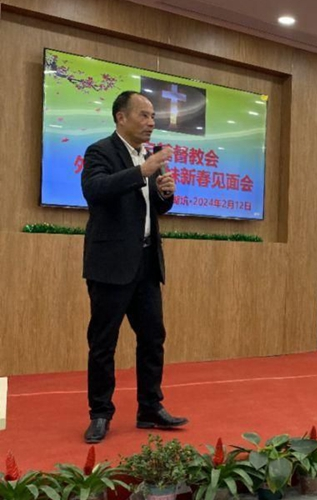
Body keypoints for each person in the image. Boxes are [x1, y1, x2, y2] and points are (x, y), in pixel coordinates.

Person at [81, 90, 187, 444]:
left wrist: (164, 193)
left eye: (153, 116)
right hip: (110, 265)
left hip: (145, 264)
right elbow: (95, 190)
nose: (151, 123)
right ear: (121, 117)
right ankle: (99, 413)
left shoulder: (149, 157)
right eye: (143, 115)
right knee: (103, 343)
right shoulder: (100, 151)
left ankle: (149, 408)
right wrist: (142, 171)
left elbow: (153, 210)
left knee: (153, 337)